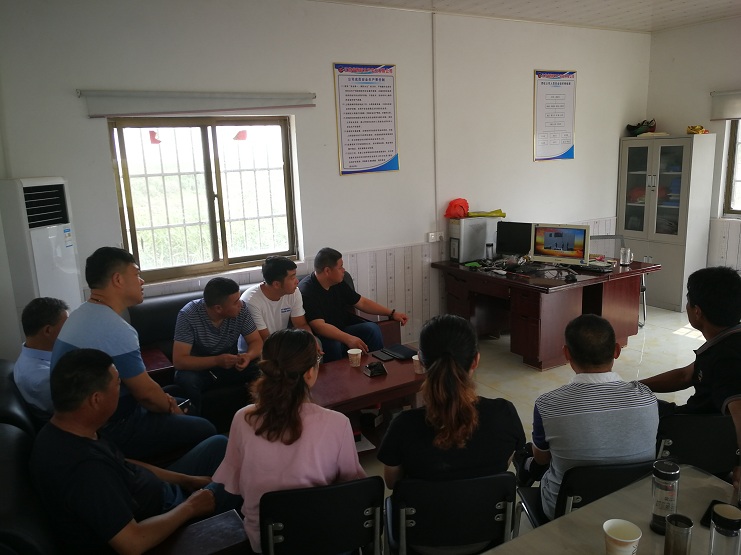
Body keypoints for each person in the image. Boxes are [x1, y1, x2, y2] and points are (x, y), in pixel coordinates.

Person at [30, 348, 241, 555]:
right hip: (162, 521)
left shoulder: (68, 429)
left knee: (218, 445)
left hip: (158, 493)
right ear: (96, 399)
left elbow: (125, 463)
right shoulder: (85, 470)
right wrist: (191, 506)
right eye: (118, 383)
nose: (122, 389)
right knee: (240, 474)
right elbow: (132, 543)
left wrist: (187, 480)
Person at [52, 246, 216, 460]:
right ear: (118, 280)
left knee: (177, 394)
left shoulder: (79, 314)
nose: (142, 281)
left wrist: (165, 401)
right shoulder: (114, 328)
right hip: (108, 427)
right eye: (137, 274)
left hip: (82, 419)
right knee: (205, 429)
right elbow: (146, 394)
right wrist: (171, 409)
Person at [213, 328, 365, 553]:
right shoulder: (338, 423)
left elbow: (235, 485)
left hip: (266, 542)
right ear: (310, 373)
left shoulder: (243, 419)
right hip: (325, 539)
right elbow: (353, 488)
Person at [521, 314, 658, 520]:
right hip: (633, 508)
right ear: (617, 351)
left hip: (566, 512)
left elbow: (542, 459)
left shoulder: (548, 405)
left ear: (566, 354)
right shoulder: (647, 397)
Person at [378, 314, 525, 486]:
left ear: (421, 361)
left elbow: (392, 482)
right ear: (476, 360)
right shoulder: (504, 414)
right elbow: (503, 465)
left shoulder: (403, 425)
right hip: (487, 503)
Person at [640, 266, 741, 484]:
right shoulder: (727, 343)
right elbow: (685, 376)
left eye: (688, 301)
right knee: (637, 397)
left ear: (697, 312)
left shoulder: (728, 360)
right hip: (704, 436)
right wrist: (636, 385)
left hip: (690, 435)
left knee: (635, 408)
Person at [298, 247, 408, 362]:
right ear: (327, 271)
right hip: (322, 336)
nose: (343, 270)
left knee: (372, 329)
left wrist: (392, 313)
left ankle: (376, 365)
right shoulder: (307, 291)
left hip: (343, 328)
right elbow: (319, 326)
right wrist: (348, 339)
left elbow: (362, 303)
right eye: (340, 267)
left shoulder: (337, 282)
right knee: (335, 345)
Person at [173, 277, 263, 415]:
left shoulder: (242, 310)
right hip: (201, 369)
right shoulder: (188, 315)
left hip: (232, 365)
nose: (240, 304)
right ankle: (196, 423)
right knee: (186, 379)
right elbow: (179, 361)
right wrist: (217, 360)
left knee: (264, 367)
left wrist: (248, 356)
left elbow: (256, 341)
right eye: (235, 302)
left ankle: (259, 416)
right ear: (218, 308)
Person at [237, 256, 315, 347]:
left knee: (315, 343)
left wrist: (311, 341)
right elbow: (265, 339)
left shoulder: (294, 292)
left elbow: (301, 324)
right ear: (276, 284)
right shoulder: (251, 301)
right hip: (260, 348)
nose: (297, 281)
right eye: (292, 278)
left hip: (280, 343)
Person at [13, 297, 69, 421]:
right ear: (48, 330)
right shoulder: (43, 379)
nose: (71, 330)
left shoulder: (29, 354)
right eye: (67, 326)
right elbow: (82, 411)